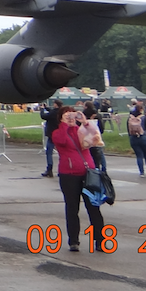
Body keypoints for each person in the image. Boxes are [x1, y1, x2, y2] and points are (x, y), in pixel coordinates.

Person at [52, 107, 104, 252]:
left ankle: (100, 241)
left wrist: (84, 122)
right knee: (72, 208)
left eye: (72, 115)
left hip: (87, 173)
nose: (70, 118)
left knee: (94, 207)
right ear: (60, 118)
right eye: (66, 115)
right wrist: (64, 125)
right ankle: (73, 241)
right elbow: (61, 141)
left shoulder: (81, 130)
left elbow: (97, 136)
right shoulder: (57, 132)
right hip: (69, 174)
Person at [127, 104, 146, 176]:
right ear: (141, 109)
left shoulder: (130, 118)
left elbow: (128, 129)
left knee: (139, 156)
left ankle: (142, 172)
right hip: (143, 137)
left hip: (133, 138)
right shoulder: (143, 117)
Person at [80, 103, 106, 172]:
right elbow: (102, 128)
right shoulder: (98, 115)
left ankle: (92, 171)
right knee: (99, 154)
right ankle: (103, 169)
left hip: (87, 139)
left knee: (90, 156)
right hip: (97, 137)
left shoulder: (84, 115)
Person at [39, 100, 62, 177]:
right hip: (60, 134)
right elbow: (52, 112)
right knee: (62, 153)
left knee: (49, 153)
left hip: (52, 134)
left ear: (55, 105)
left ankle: (49, 169)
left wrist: (42, 109)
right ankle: (61, 170)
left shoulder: (53, 113)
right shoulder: (61, 112)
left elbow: (44, 116)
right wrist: (47, 108)